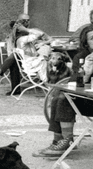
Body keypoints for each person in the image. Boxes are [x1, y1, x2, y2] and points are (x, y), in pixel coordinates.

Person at [35, 24, 93, 157]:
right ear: (86, 43)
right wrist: (87, 73)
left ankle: (65, 142)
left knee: (62, 99)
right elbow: (73, 84)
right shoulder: (81, 57)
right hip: (87, 102)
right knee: (60, 97)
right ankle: (60, 141)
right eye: (92, 38)